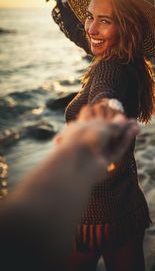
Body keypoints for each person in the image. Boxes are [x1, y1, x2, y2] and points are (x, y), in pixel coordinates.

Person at [43, 0, 155, 271]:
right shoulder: (129, 61)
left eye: (105, 20)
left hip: (99, 210)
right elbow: (82, 35)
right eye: (90, 16)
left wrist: (106, 112)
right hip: (126, 200)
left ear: (128, 28)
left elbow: (106, 95)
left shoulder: (111, 70)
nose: (91, 27)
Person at [0, 100, 139, 271]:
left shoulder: (107, 71)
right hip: (119, 199)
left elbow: (107, 90)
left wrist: (80, 143)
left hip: (104, 204)